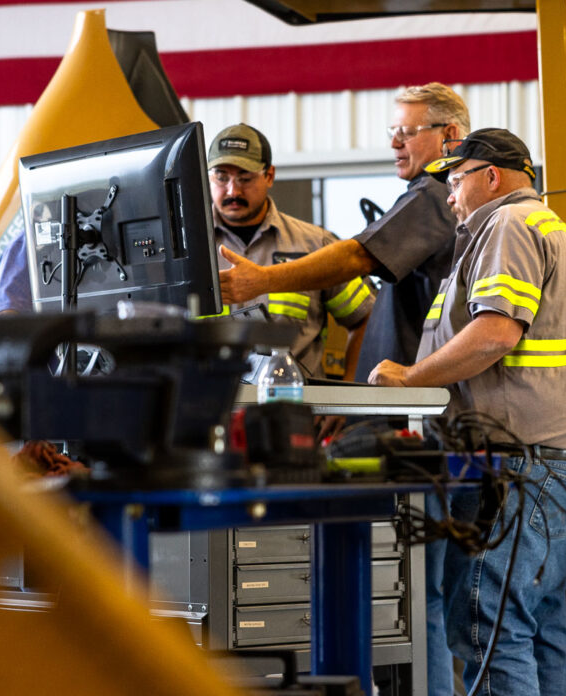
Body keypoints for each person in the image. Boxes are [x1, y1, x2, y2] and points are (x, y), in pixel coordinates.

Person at [217, 83, 469, 695]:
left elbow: (358, 259)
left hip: (406, 427)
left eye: (407, 131)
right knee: (420, 601)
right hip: (306, 428)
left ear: (449, 139)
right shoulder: (427, 196)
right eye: (394, 131)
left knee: (423, 600)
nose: (394, 141)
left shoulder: (435, 197)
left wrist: (260, 282)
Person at [369, 129, 566, 695]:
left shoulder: (505, 225)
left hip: (524, 466)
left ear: (490, 177)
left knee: (487, 624)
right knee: (539, 621)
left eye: (454, 181)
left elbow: (494, 333)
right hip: (558, 463)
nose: (450, 197)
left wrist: (410, 377)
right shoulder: (550, 228)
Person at [206, 123, 375, 380]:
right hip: (206, 410)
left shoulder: (316, 246)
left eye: (245, 177)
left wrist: (348, 392)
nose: (233, 191)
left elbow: (366, 318)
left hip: (293, 408)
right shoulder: (184, 250)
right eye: (221, 177)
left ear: (269, 176)